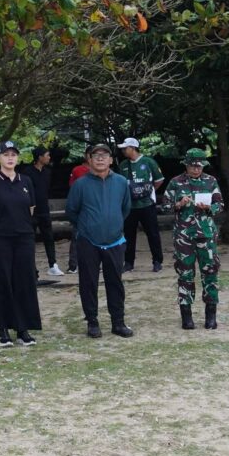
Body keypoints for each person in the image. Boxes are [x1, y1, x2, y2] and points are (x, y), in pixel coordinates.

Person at [66, 144, 133, 338]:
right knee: (88, 283)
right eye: (96, 155)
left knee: (115, 283)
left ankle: (118, 322)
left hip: (115, 241)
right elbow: (72, 211)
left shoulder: (121, 182)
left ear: (111, 159)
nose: (101, 158)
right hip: (88, 241)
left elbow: (126, 208)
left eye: (105, 155)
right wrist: (87, 226)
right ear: (89, 159)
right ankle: (92, 322)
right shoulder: (80, 184)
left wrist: (113, 224)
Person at [0, 140, 42, 347]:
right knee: (2, 281)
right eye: (5, 154)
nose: (10, 158)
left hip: (23, 237)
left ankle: (23, 329)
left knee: (24, 281)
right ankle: (4, 329)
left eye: (13, 154)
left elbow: (30, 209)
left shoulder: (26, 181)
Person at [161, 148, 223, 329]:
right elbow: (164, 207)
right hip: (184, 236)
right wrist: (178, 204)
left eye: (199, 166)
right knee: (185, 274)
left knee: (210, 273)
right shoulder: (175, 182)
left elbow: (220, 205)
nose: (196, 169)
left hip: (206, 235)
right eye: (192, 166)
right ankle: (186, 316)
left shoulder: (211, 181)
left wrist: (209, 207)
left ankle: (211, 315)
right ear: (186, 165)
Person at [117, 137, 164, 272]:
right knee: (128, 234)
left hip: (147, 204)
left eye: (125, 148)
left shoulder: (149, 162)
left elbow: (159, 180)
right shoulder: (123, 165)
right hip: (129, 206)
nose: (123, 151)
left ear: (133, 148)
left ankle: (157, 261)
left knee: (153, 233)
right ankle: (129, 262)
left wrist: (148, 191)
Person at [22, 147, 64, 277]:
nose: (49, 157)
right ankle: (31, 268)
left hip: (44, 210)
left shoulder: (47, 172)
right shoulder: (27, 172)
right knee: (30, 240)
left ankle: (53, 265)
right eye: (47, 155)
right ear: (39, 157)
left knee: (49, 238)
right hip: (31, 211)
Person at [66, 146, 92, 274]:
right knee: (77, 235)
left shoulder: (102, 170)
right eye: (90, 154)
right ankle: (73, 264)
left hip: (96, 208)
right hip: (81, 208)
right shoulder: (77, 170)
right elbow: (72, 188)